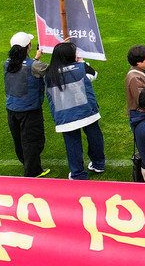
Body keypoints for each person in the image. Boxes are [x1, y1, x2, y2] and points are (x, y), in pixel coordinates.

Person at [42, 41, 105, 180]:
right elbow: (94, 74)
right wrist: (82, 61)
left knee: (73, 145)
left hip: (65, 115)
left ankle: (78, 173)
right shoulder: (81, 68)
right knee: (95, 138)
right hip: (87, 111)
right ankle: (99, 164)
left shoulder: (49, 75)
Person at [3, 31, 48, 178]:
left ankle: (27, 164)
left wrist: (35, 59)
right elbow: (50, 70)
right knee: (33, 141)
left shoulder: (7, 63)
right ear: (28, 47)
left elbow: (22, 66)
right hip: (30, 111)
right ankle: (33, 172)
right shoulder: (34, 66)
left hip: (12, 109)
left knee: (19, 141)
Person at [124, 44, 145, 116]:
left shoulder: (142, 71)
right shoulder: (135, 78)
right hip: (143, 116)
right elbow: (142, 101)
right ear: (139, 62)